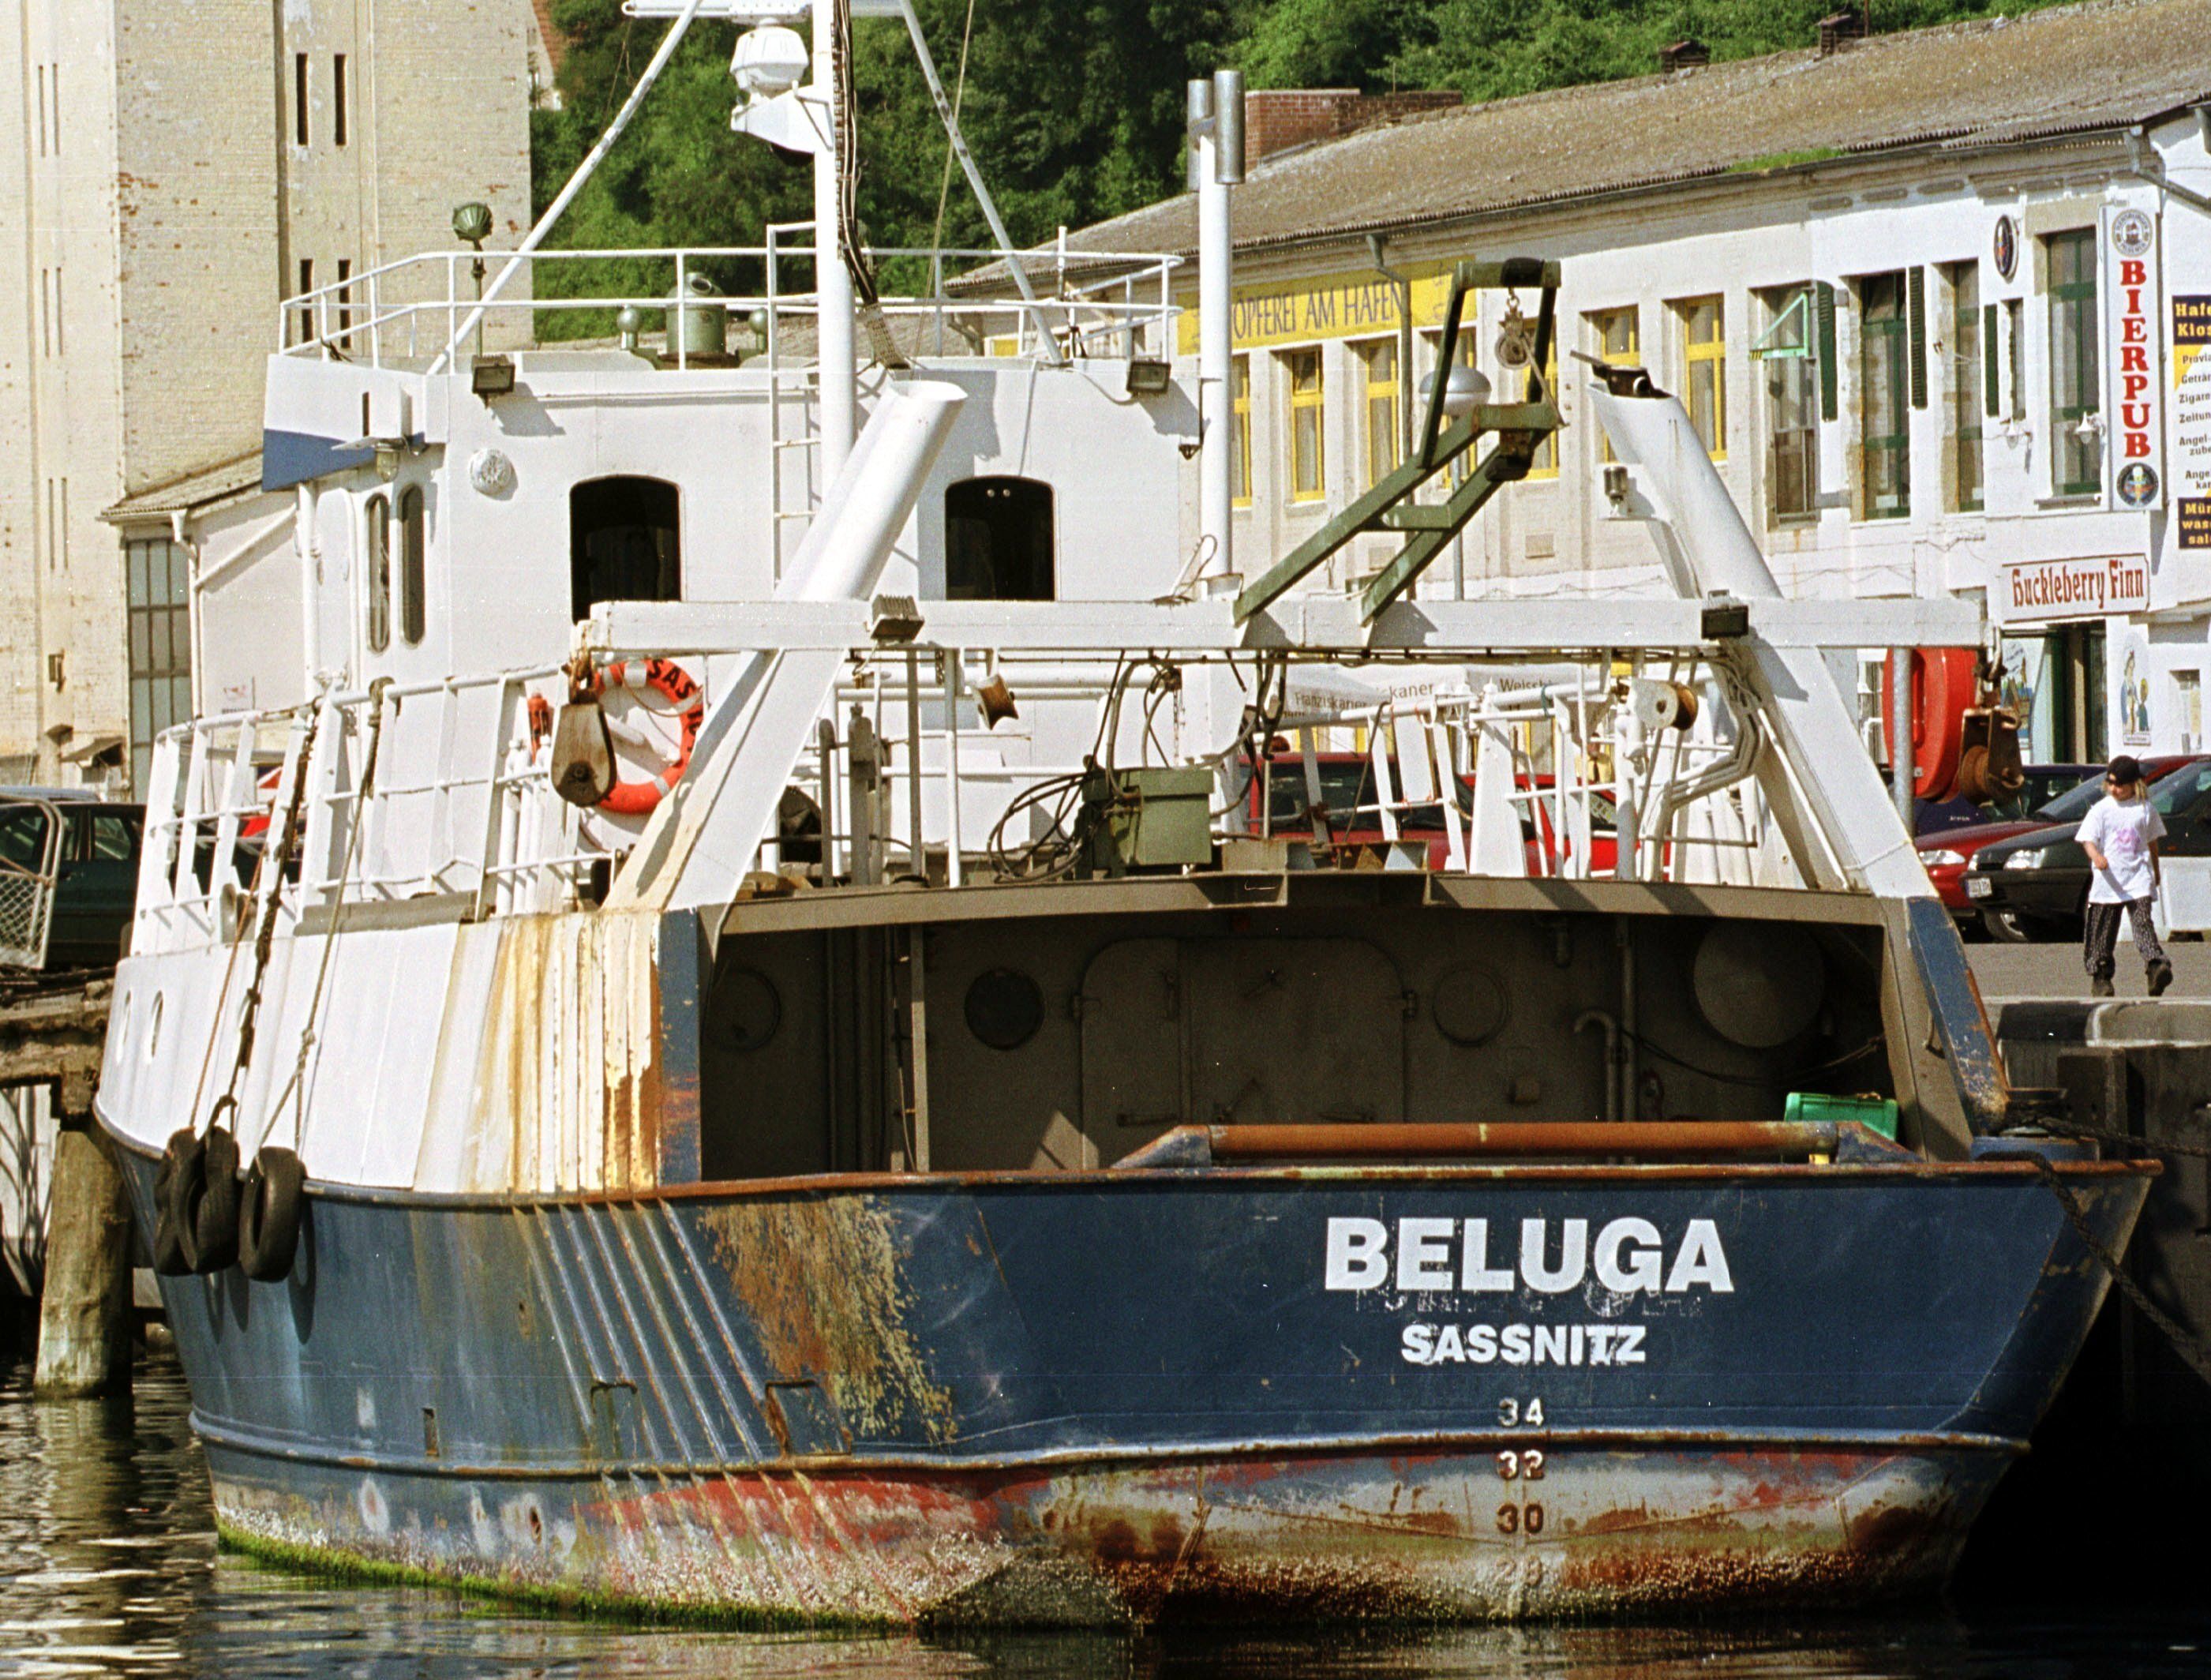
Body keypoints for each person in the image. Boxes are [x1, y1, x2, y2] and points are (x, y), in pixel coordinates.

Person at [2078, 754, 2172, 998]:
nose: (2114, 789)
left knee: (2142, 922)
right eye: (2110, 783)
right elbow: (2087, 839)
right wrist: (2096, 857)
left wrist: (2155, 870)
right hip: (2108, 881)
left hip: (2137, 877)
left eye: (2120, 784)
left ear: (2134, 784)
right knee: (2103, 929)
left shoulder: (2144, 809)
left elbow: (2152, 843)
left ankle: (2155, 965)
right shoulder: (2102, 810)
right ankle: (2101, 976)